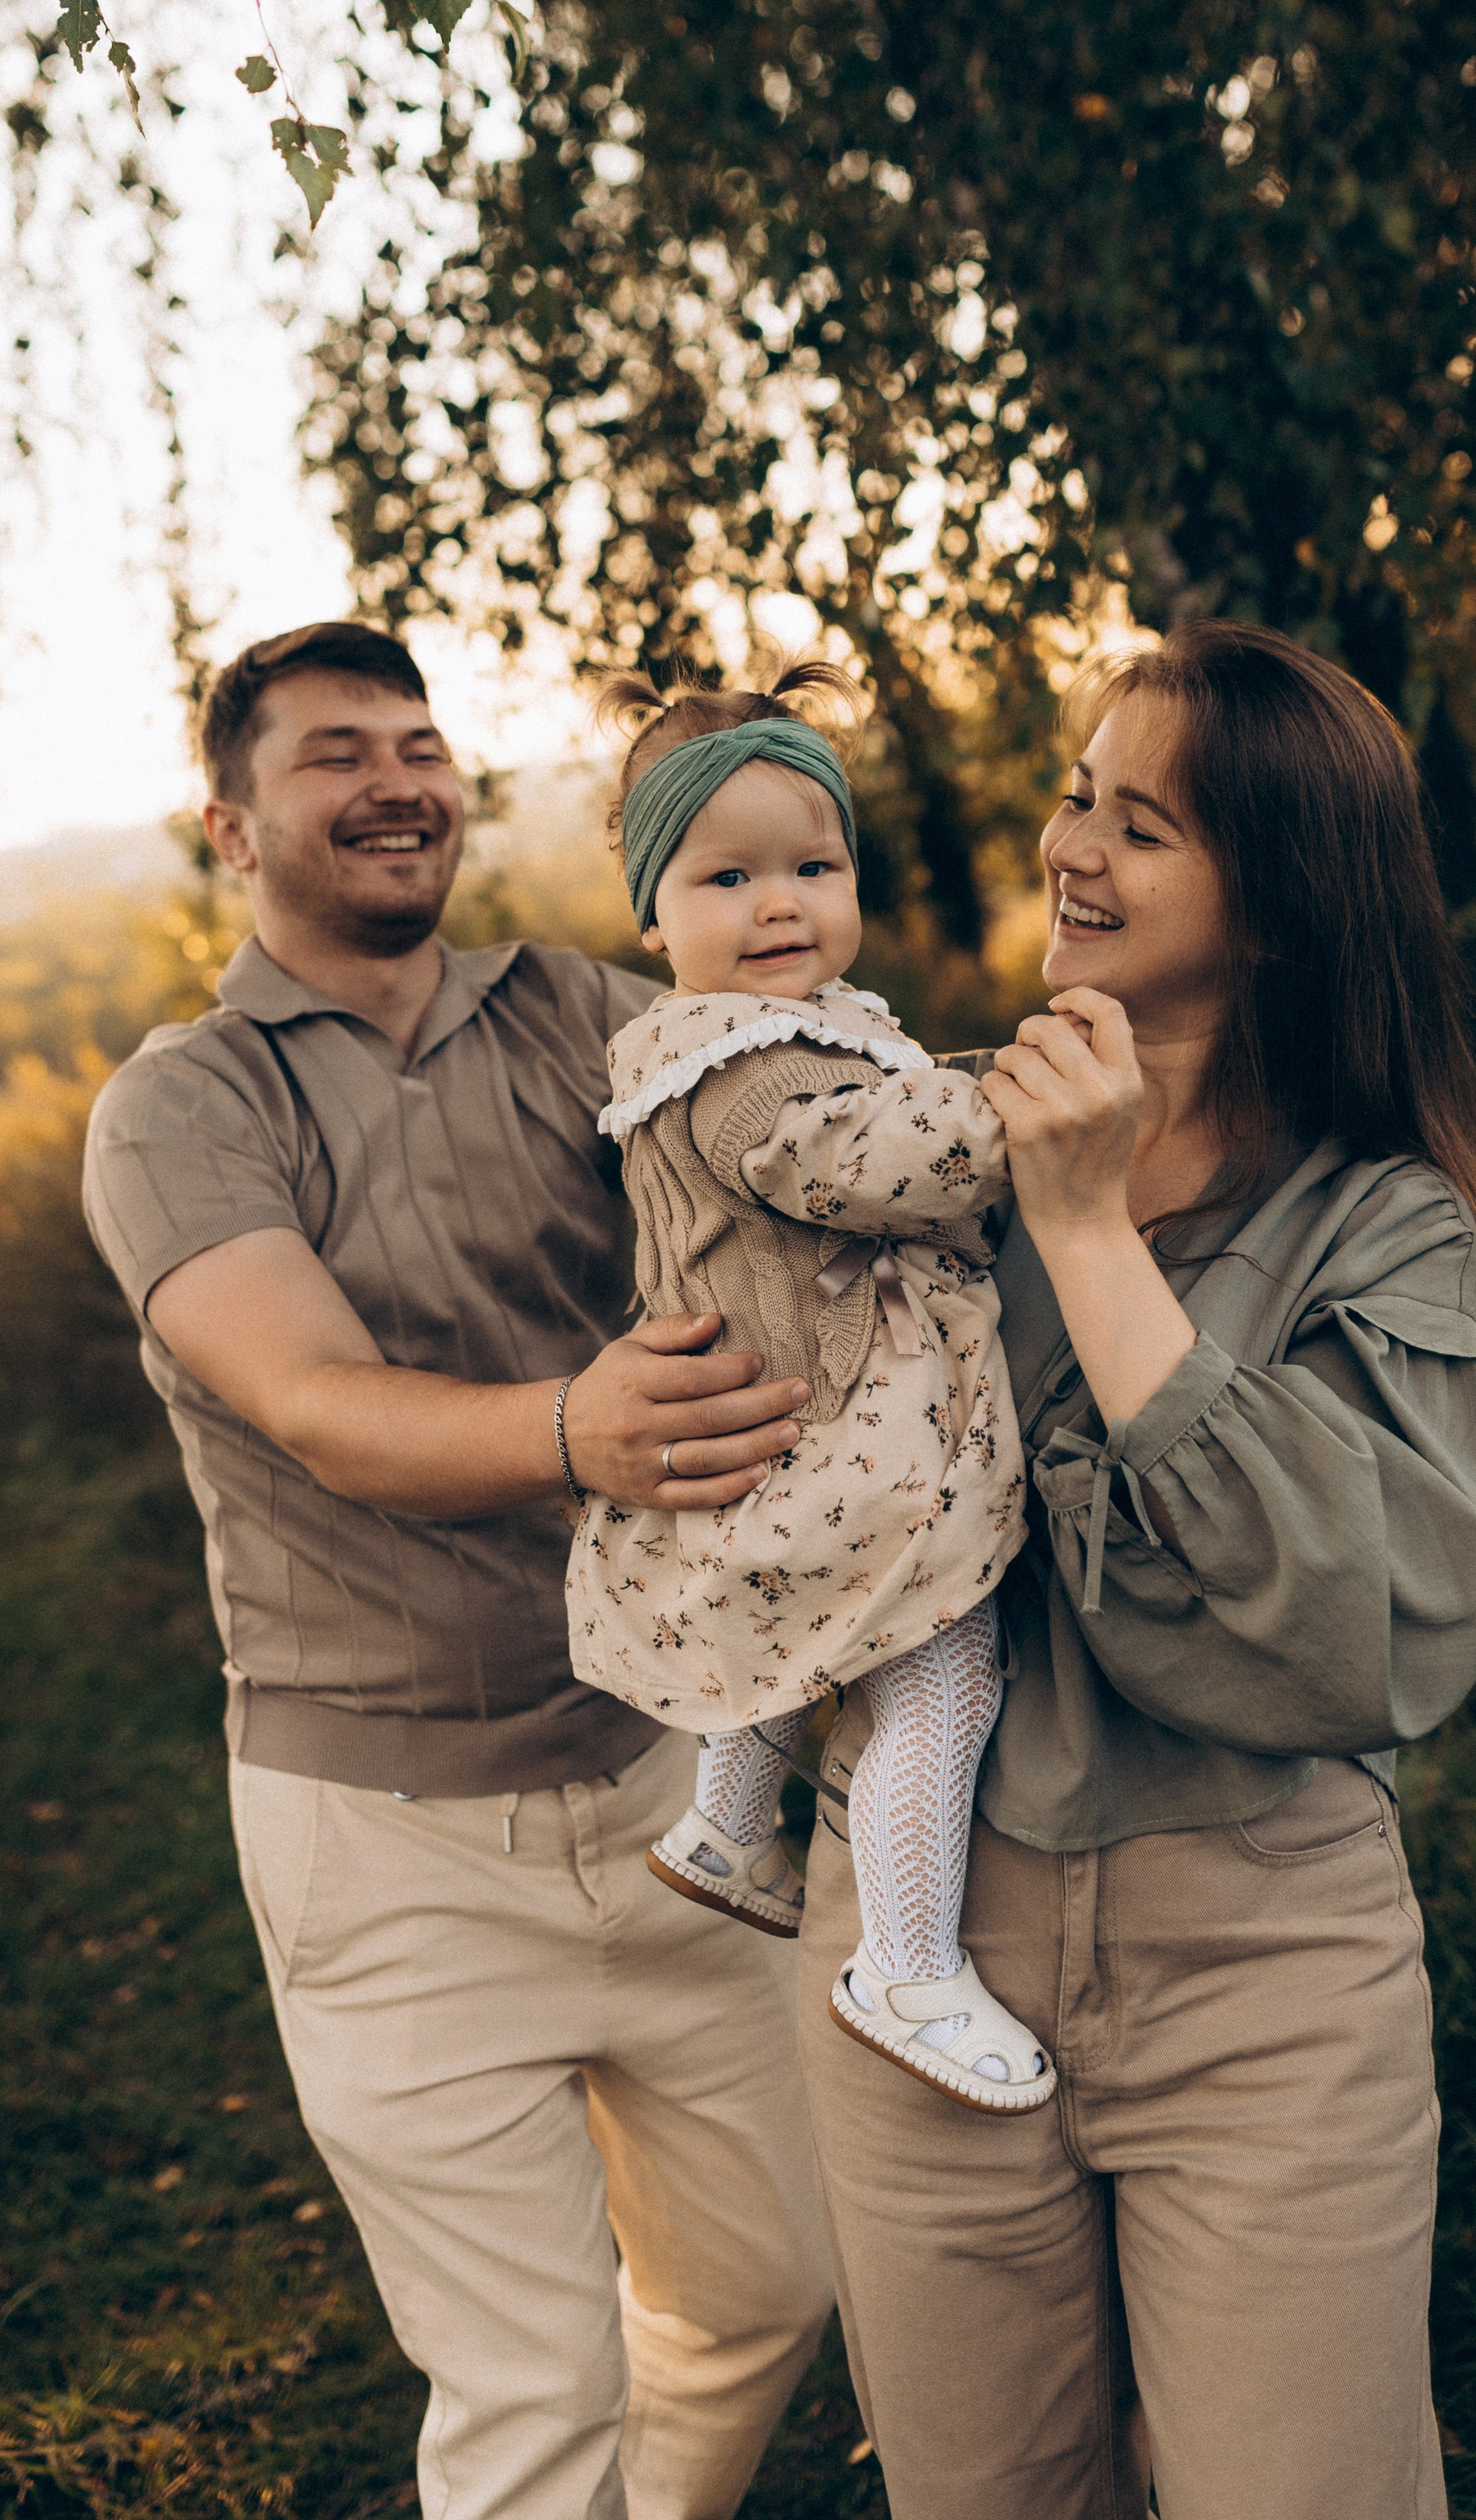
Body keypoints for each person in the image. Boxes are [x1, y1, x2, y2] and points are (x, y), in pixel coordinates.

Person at [793, 621, 1476, 2520]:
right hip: (914, 1940)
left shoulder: (1378, 1221)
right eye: (1071, 795)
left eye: (1141, 826)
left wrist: (1081, 1222)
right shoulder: (918, 1140)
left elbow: (1335, 1626)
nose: (1069, 851)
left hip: (1259, 1960)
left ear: (1282, 906)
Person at [82, 621, 833, 2520]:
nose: (397, 779)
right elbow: (318, 1403)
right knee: (528, 2395)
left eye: (418, 743)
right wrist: (580, 1427)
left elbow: (804, 1157)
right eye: (334, 753)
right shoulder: (186, 1104)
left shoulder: (592, 1016)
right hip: (390, 1841)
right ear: (229, 827)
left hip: (680, 1783)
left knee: (766, 2294)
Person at [566, 667, 1051, 2115]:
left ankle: (725, 1824)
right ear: (654, 916)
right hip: (839, 1439)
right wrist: (1011, 1103)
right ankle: (903, 1963)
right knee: (942, 1668)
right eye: (727, 876)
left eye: (812, 865)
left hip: (807, 1434)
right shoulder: (741, 1068)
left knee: (812, 1631)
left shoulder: (783, 1027)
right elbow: (881, 1162)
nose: (778, 903)